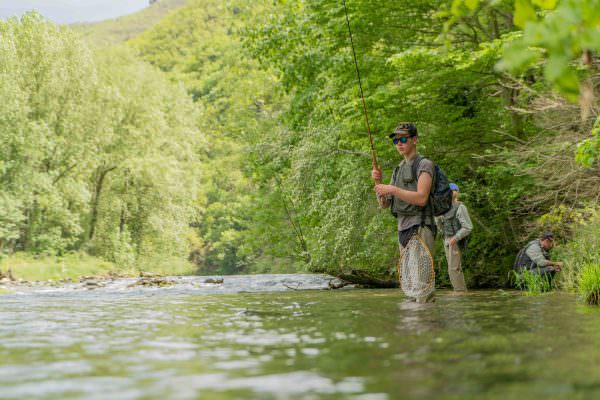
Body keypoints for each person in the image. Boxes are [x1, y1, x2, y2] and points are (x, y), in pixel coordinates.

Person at [372, 123, 435, 303]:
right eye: (396, 140)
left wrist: (392, 189)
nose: (399, 143)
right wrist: (379, 184)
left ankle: (427, 318)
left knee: (422, 287)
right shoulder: (398, 169)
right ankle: (416, 320)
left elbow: (422, 198)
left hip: (421, 226)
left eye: (403, 139)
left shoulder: (425, 165)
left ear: (414, 140)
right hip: (403, 229)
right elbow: (385, 204)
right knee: (411, 288)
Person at [435, 183, 471, 291]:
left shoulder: (460, 207)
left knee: (454, 268)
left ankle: (460, 292)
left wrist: (455, 238)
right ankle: (460, 291)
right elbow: (440, 226)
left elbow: (468, 227)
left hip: (456, 241)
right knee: (452, 268)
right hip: (447, 239)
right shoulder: (443, 208)